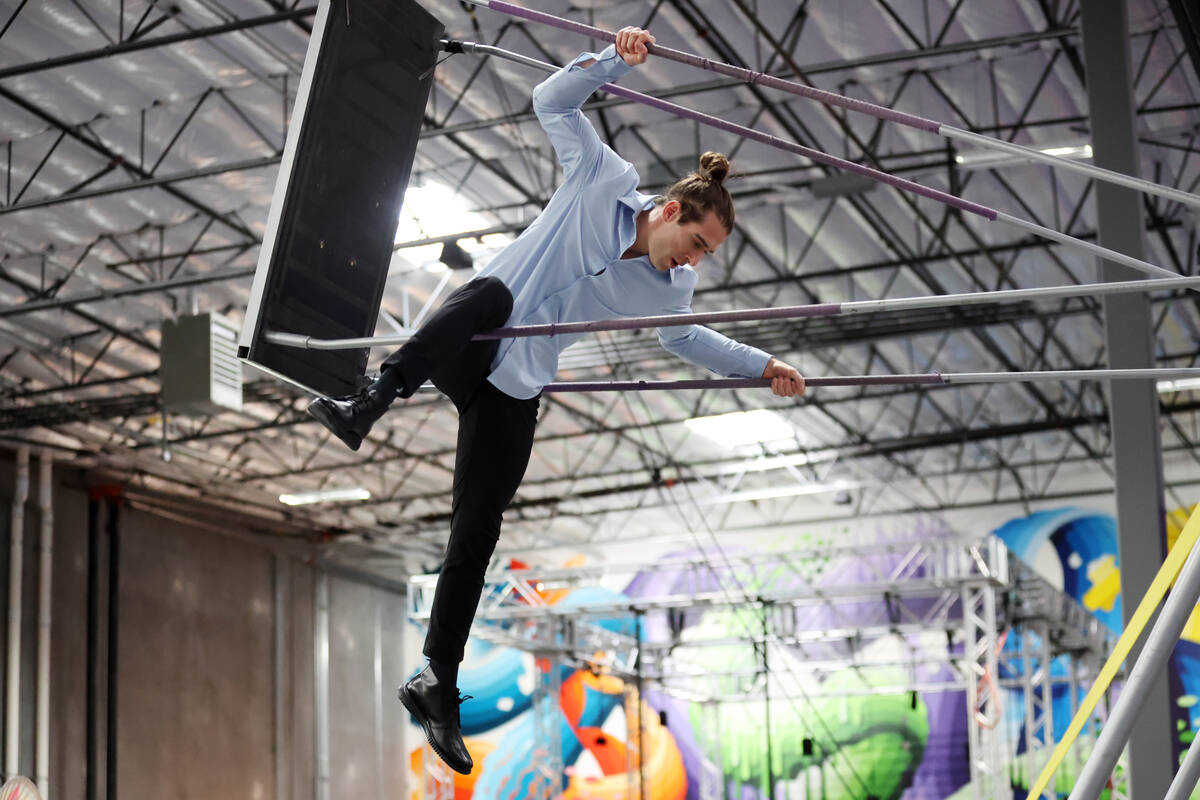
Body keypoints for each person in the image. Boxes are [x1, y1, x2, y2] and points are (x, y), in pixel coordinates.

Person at [306, 27, 805, 774]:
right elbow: (550, 100)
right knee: (496, 288)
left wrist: (763, 365)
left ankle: (437, 679)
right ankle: (371, 399)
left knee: (475, 533)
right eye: (698, 244)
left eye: (705, 257)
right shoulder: (602, 176)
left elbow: (692, 342)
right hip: (474, 327)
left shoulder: (674, 290)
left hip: (514, 381)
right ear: (672, 211)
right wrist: (613, 57)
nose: (697, 262)